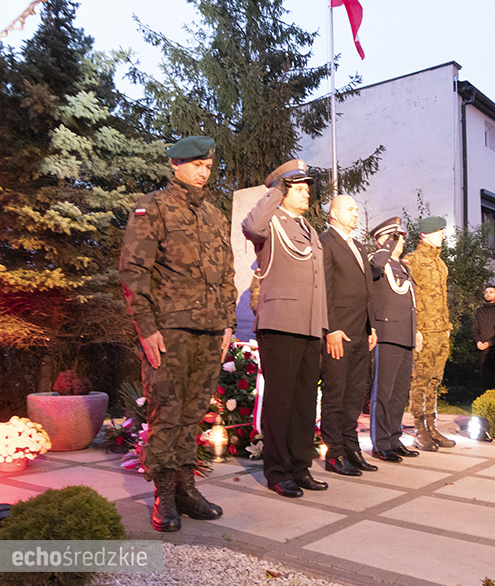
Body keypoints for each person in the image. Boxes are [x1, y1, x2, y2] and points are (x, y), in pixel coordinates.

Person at [119, 136, 236, 532]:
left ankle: (186, 487)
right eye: (196, 165)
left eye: (207, 166)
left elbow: (226, 275)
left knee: (193, 412)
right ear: (176, 164)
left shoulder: (215, 215)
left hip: (208, 331)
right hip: (169, 330)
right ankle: (163, 494)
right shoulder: (153, 207)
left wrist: (227, 324)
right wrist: (146, 328)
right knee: (166, 414)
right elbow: (134, 271)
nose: (204, 172)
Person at [242, 159, 328, 499]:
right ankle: (277, 470)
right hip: (280, 322)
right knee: (281, 400)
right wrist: (275, 191)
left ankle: (299, 466)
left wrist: (323, 324)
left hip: (309, 324)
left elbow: (318, 282)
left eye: (308, 188)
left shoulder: (308, 228)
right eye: (300, 187)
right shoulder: (270, 221)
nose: (307, 193)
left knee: (306, 400)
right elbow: (251, 226)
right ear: (283, 190)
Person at [320, 195, 378, 476]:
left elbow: (368, 291)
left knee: (355, 394)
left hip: (360, 331)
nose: (356, 213)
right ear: (333, 214)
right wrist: (330, 327)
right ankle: (334, 452)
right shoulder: (325, 242)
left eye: (357, 209)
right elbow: (325, 289)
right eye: (350, 209)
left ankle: (351, 447)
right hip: (339, 332)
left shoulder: (358, 245)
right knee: (335, 392)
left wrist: (371, 327)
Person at [368, 217, 422, 462]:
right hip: (387, 334)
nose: (401, 242)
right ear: (384, 238)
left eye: (400, 238)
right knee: (384, 391)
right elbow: (376, 265)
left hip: (405, 335)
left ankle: (393, 437)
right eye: (396, 237)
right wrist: (387, 245)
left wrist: (416, 331)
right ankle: (380, 443)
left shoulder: (403, 266)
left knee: (400, 392)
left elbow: (410, 304)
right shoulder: (376, 259)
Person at [404, 216, 455, 451]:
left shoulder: (441, 264)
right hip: (423, 332)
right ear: (424, 234)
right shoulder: (411, 261)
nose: (442, 234)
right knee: (420, 381)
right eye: (438, 231)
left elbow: (443, 299)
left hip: (440, 332)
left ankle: (432, 427)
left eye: (442, 231)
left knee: (435, 381)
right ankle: (418, 429)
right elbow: (408, 299)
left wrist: (446, 328)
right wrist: (414, 329)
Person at [472, 285, 495, 393]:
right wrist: (478, 341)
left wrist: (490, 343)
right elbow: (475, 328)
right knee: (485, 380)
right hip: (483, 350)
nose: (488, 294)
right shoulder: (479, 311)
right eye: (486, 292)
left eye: (491, 292)